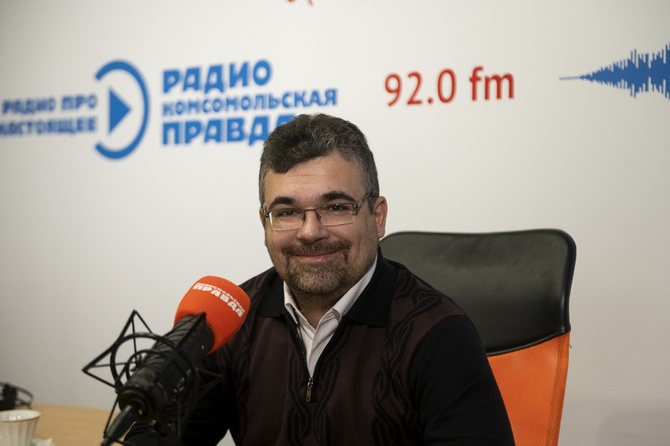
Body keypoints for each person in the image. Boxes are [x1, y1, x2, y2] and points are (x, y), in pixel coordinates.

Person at [126, 113, 515, 445]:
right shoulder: (233, 320)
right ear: (265, 223)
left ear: (377, 216)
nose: (310, 232)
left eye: (336, 207)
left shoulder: (438, 334)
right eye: (287, 212)